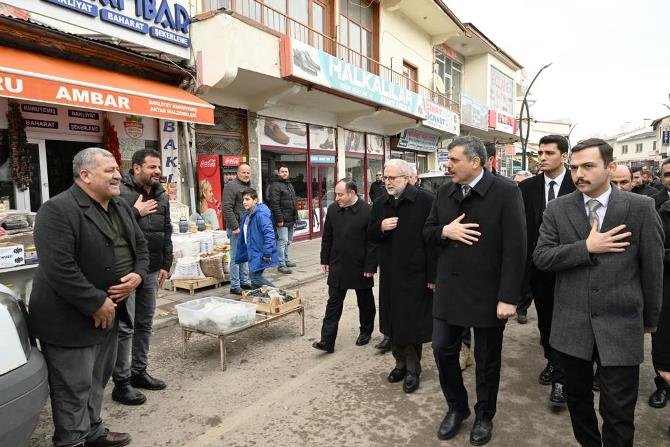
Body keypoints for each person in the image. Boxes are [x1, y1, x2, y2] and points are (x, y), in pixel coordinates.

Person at [533, 138, 663, 446]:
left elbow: (652, 269)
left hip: (621, 325)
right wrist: (586, 248)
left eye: (588, 166)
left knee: (618, 412)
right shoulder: (558, 209)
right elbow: (541, 257)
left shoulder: (640, 208)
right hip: (571, 325)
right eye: (575, 167)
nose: (579, 173)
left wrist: (650, 318)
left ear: (610, 167)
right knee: (578, 403)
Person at [28, 148, 149, 447]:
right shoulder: (56, 210)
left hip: (110, 313)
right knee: (73, 387)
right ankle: (71, 440)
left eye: (117, 170)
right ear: (85, 175)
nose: (118, 175)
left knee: (97, 380)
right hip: (70, 319)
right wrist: (96, 302)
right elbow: (60, 268)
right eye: (109, 170)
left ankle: (93, 431)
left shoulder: (120, 205)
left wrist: (137, 275)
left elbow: (141, 247)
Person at [424, 136, 526, 445]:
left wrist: (509, 297)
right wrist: (445, 230)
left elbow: (516, 247)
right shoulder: (444, 192)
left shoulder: (506, 192)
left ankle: (484, 415)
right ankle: (457, 407)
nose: (448, 165)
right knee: (442, 349)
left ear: (476, 162)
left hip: (488, 294)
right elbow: (426, 233)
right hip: (450, 291)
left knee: (487, 360)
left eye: (454, 160)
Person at [368, 158, 435, 394]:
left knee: (411, 322)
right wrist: (380, 228)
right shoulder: (380, 203)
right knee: (393, 321)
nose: (387, 182)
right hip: (390, 273)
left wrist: (432, 275)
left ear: (407, 178)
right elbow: (370, 235)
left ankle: (413, 369)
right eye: (385, 177)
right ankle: (399, 363)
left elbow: (433, 241)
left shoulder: (426, 201)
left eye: (392, 178)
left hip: (416, 274)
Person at [517, 135, 575, 407]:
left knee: (569, 323)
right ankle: (553, 362)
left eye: (548, 152)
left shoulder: (578, 184)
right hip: (538, 269)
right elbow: (521, 230)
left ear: (564, 156)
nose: (541, 157)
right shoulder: (527, 187)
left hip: (572, 268)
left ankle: (563, 378)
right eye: (539, 152)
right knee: (546, 322)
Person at [112, 149, 171, 407]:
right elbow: (110, 229)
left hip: (151, 269)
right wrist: (135, 212)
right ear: (136, 168)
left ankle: (139, 372)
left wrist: (166, 265)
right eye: (151, 167)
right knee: (125, 327)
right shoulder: (119, 194)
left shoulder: (161, 195)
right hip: (126, 271)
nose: (157, 172)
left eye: (158, 167)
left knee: (145, 324)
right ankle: (121, 383)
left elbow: (166, 231)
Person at [313, 180, 377, 353]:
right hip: (338, 264)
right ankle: (327, 340)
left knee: (364, 301)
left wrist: (370, 266)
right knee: (333, 302)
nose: (337, 198)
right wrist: (324, 259)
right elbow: (327, 237)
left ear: (352, 193)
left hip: (360, 265)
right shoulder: (333, 209)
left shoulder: (368, 211)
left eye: (341, 194)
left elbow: (373, 242)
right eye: (336, 194)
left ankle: (366, 331)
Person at [648, 158, 670, 410]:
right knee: (662, 337)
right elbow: (653, 250)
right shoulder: (653, 204)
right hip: (664, 281)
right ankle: (662, 385)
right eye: (667, 174)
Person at [235, 189, 279, 288]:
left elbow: (269, 234)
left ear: (255, 200)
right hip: (252, 251)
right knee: (254, 280)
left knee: (254, 277)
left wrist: (267, 252)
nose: (244, 202)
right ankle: (258, 299)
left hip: (261, 252)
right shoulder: (246, 215)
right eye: (243, 200)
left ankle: (279, 294)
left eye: (247, 199)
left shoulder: (261, 215)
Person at [222, 163, 253, 295]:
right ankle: (235, 285)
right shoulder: (231, 186)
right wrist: (234, 226)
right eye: (243, 172)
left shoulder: (249, 186)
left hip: (246, 226)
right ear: (238, 173)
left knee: (244, 255)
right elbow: (226, 208)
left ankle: (244, 281)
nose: (246, 175)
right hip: (236, 228)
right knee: (235, 257)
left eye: (248, 173)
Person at [267, 164, 298, 274]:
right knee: (282, 241)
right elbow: (274, 204)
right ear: (278, 173)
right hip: (282, 219)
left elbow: (294, 202)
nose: (285, 173)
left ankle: (286, 259)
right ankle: (281, 264)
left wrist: (296, 218)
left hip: (290, 218)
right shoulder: (275, 185)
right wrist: (279, 219)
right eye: (282, 171)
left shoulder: (289, 184)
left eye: (286, 171)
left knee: (288, 241)